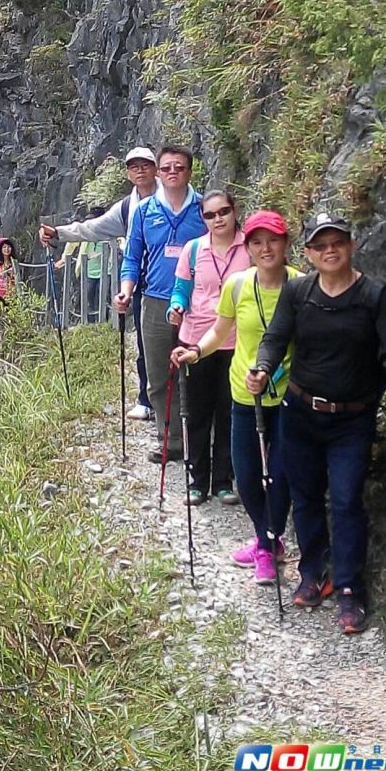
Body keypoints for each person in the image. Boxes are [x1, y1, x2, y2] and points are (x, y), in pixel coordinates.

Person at [249, 211, 386, 634]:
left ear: (351, 246)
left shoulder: (374, 295)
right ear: (309, 253)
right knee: (306, 495)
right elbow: (277, 336)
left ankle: (350, 589)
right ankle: (313, 572)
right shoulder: (297, 292)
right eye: (320, 245)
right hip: (300, 413)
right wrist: (261, 367)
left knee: (347, 500)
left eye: (338, 242)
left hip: (352, 419)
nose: (330, 250)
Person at [172, 210, 299, 587]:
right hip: (244, 394)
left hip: (289, 395)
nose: (265, 248)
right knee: (246, 478)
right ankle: (268, 538)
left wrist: (274, 373)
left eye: (273, 240)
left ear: (285, 244)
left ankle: (265, 544)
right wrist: (195, 351)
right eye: (257, 242)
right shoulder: (239, 286)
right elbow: (219, 331)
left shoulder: (302, 286)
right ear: (248, 246)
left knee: (280, 475)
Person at [39, 146, 159, 420]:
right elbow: (92, 228)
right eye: (134, 167)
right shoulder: (128, 207)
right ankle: (147, 400)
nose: (140, 171)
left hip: (177, 280)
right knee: (145, 342)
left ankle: (181, 407)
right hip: (143, 282)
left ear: (155, 168)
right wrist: (58, 233)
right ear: (128, 174)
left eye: (145, 165)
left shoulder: (175, 198)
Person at [115, 145, 206, 463]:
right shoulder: (143, 211)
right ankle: (170, 440)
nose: (171, 173)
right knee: (158, 375)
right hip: (154, 300)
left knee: (197, 373)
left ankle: (198, 440)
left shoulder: (204, 209)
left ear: (189, 172)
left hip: (199, 303)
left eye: (178, 167)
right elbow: (132, 258)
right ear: (158, 171)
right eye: (166, 168)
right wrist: (126, 291)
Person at [167, 190, 249, 505]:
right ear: (203, 218)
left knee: (229, 413)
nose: (218, 219)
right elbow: (181, 289)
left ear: (234, 210)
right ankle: (198, 481)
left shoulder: (250, 247)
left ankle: (224, 481)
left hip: (237, 342)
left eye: (223, 212)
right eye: (210, 215)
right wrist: (174, 307)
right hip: (196, 339)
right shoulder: (194, 249)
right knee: (198, 413)